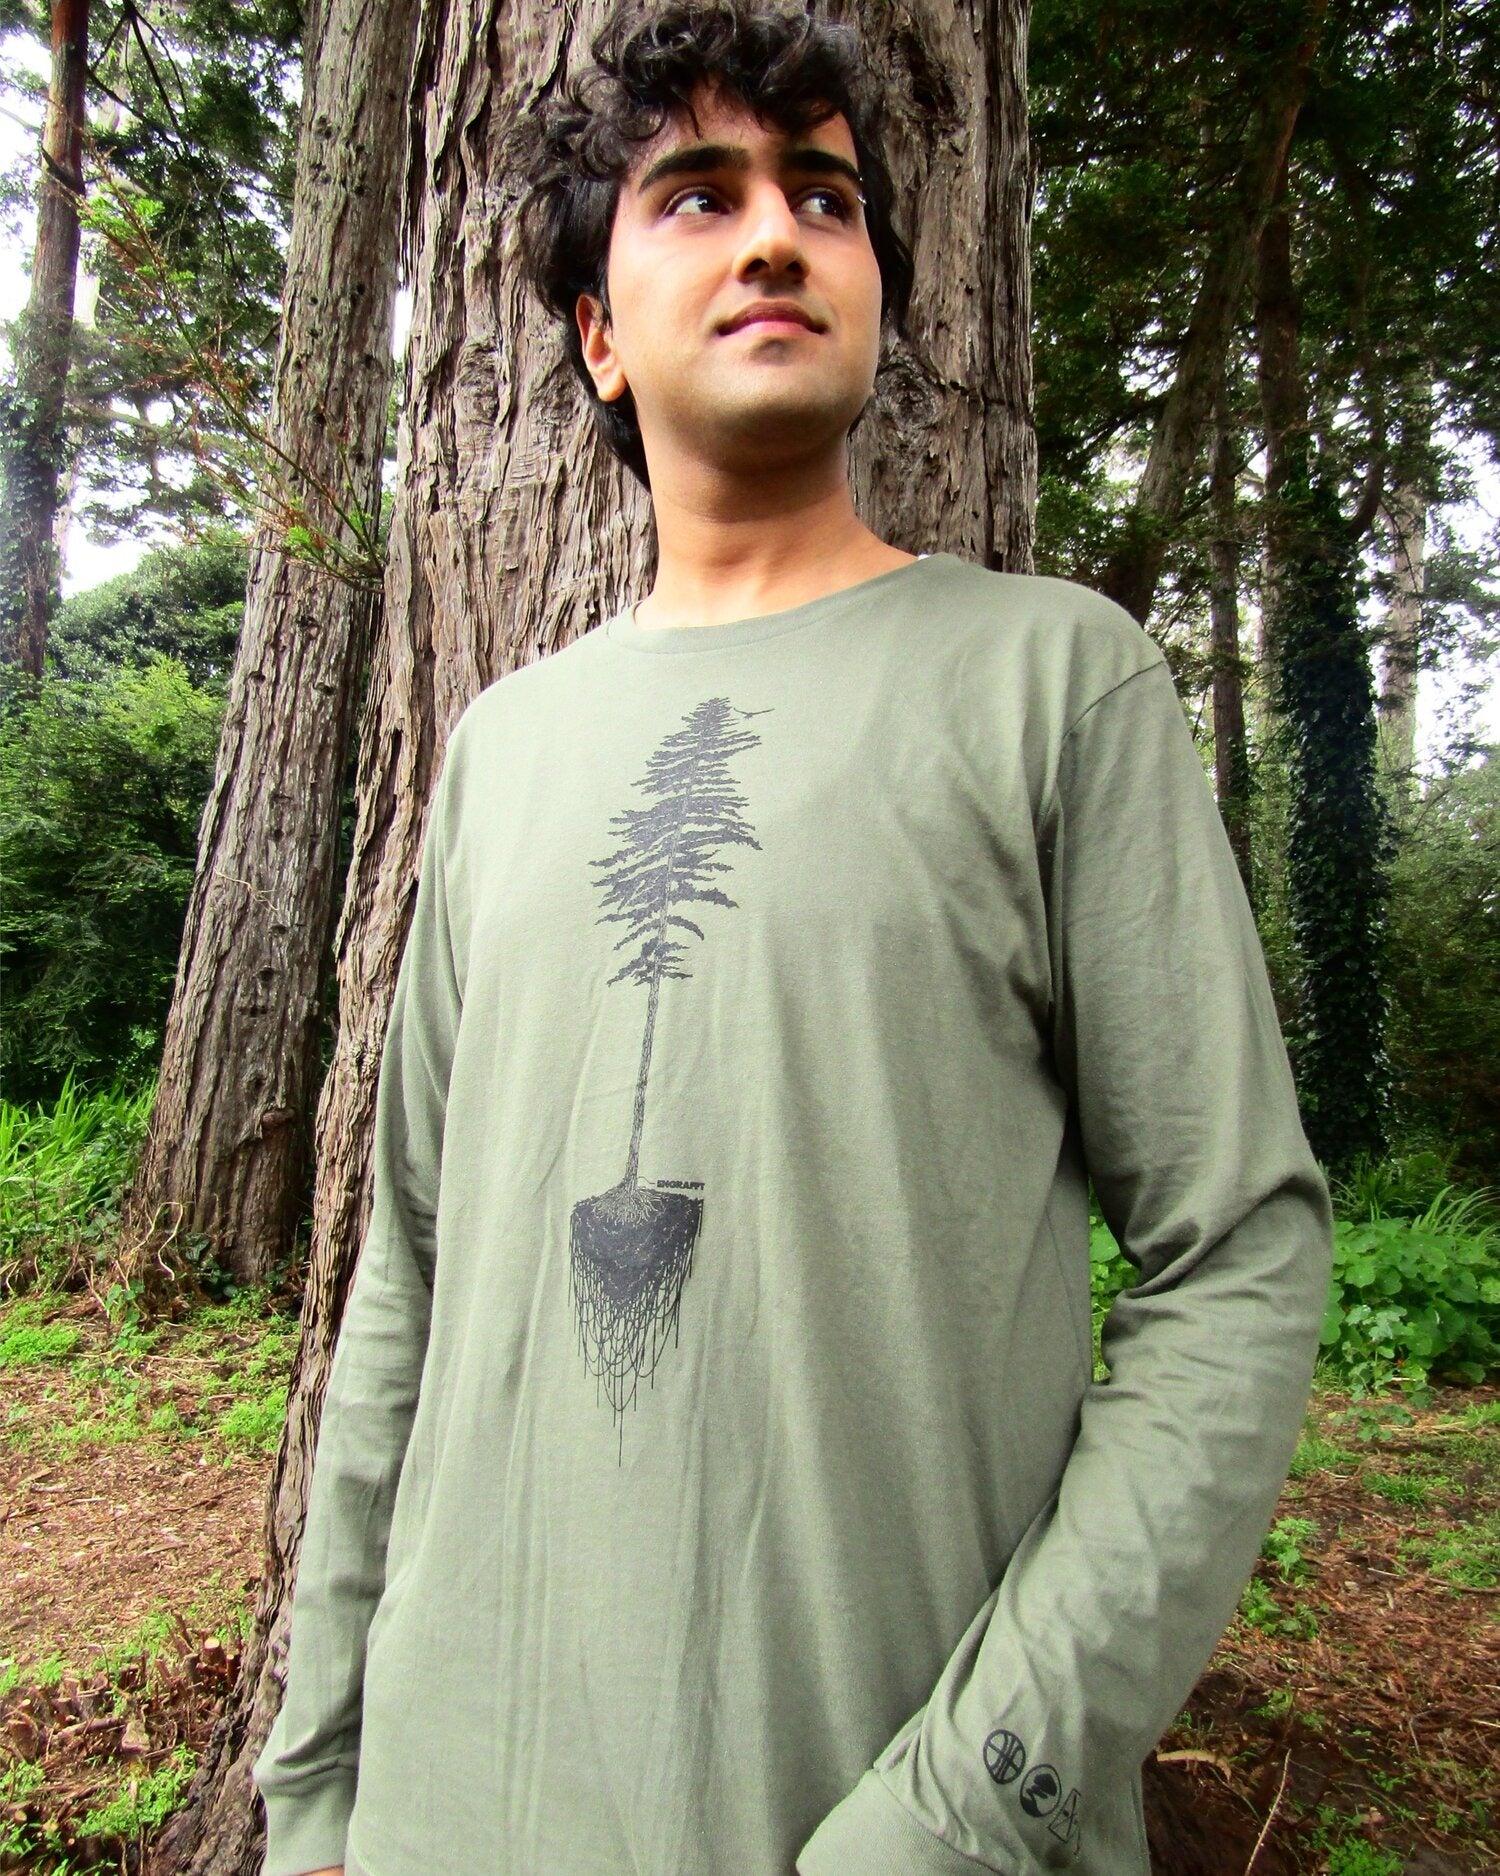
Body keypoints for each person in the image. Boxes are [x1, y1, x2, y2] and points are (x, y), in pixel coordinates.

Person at [250, 3, 1335, 1872]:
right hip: (452, 1807)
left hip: (875, 1818)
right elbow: (404, 1282)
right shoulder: (500, 751)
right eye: (698, 194)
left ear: (879, 293)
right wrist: (318, 1784)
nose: (775, 234)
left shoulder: (1051, 681)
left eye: (823, 198)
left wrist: (964, 1809)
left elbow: (1236, 1254)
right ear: (597, 333)